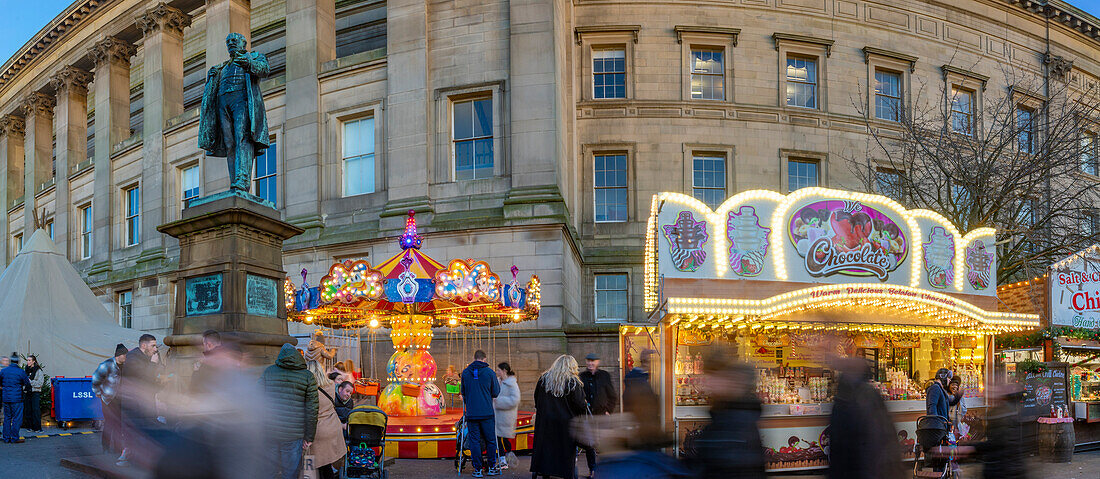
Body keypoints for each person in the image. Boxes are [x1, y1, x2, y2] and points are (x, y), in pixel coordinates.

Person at [690, 349, 766, 479]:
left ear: (730, 380)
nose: (708, 383)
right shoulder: (725, 418)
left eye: (714, 376)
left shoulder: (735, 424)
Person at [827, 358, 902, 479]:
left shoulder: (843, 398)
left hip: (856, 468)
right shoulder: (868, 395)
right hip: (867, 467)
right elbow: (884, 434)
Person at [260, 344, 319, 479]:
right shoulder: (307, 376)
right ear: (298, 356)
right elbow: (312, 409)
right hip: (294, 434)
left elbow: (256, 400)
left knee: (268, 472)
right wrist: (309, 436)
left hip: (269, 432)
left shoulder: (268, 372)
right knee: (290, 473)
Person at [531, 354, 587, 479]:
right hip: (565, 424)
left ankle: (545, 473)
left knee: (547, 452)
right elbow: (580, 404)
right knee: (565, 454)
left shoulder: (543, 379)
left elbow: (537, 399)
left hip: (546, 423)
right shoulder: (573, 382)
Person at [119, 334, 162, 467]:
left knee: (148, 428)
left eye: (156, 346)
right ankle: (127, 456)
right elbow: (142, 376)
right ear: (143, 345)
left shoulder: (148, 358)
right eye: (153, 345)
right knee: (133, 429)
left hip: (145, 400)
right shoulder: (132, 358)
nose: (155, 349)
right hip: (133, 403)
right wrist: (153, 364)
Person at [461, 350, 502, 478]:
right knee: (490, 440)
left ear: (474, 358)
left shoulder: (465, 373)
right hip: (487, 413)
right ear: (484, 359)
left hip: (472, 413)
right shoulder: (490, 372)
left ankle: (477, 469)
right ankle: (491, 467)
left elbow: (463, 392)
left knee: (474, 441)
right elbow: (496, 392)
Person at [578, 353, 616, 476]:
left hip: (602, 415)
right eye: (588, 361)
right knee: (589, 445)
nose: (590, 363)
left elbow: (612, 396)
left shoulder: (604, 376)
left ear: (597, 362)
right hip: (588, 416)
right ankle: (592, 469)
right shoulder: (582, 376)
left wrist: (608, 410)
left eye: (593, 361)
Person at [308, 360, 347, 479]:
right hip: (332, 427)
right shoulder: (331, 385)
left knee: (316, 466)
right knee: (326, 464)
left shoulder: (310, 389)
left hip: (318, 430)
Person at [93, 344, 129, 455]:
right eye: (125, 355)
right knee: (109, 423)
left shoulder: (125, 366)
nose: (126, 357)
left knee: (118, 424)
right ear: (119, 355)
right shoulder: (107, 365)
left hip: (120, 399)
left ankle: (118, 448)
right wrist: (98, 393)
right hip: (108, 400)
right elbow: (96, 379)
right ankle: (106, 448)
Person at [493, 362, 521, 470]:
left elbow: (515, 399)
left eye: (498, 370)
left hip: (505, 416)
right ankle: (505, 458)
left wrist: (499, 401)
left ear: (504, 371)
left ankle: (505, 458)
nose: (497, 372)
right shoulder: (498, 381)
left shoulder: (512, 384)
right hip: (498, 415)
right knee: (499, 438)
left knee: (501, 438)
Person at [1, 353, 30, 443]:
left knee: (7, 418)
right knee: (17, 418)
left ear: (10, 361)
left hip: (6, 398)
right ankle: (14, 438)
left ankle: (6, 438)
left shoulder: (3, 371)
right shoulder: (20, 371)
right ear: (18, 362)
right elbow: (27, 384)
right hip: (17, 398)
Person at [191, 330, 222, 395]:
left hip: (209, 400)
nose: (203, 347)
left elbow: (195, 387)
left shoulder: (209, 362)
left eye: (203, 344)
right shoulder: (229, 356)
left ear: (209, 344)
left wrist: (196, 371)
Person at [22, 355, 44, 432]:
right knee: (28, 410)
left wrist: (30, 382)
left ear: (33, 361)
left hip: (35, 393)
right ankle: (29, 426)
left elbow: (40, 383)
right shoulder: (26, 370)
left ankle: (37, 428)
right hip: (27, 392)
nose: (27, 362)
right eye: (27, 360)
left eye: (29, 360)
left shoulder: (38, 371)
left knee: (35, 410)